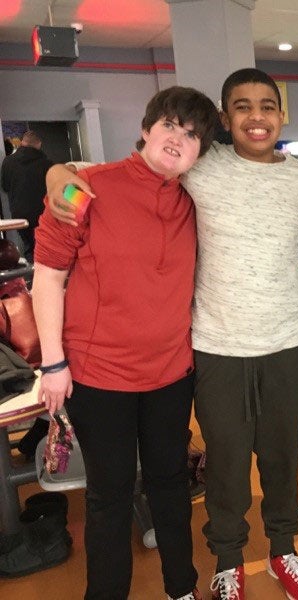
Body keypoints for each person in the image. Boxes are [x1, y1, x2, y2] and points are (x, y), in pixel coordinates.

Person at [45, 68, 298, 600]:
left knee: (282, 457)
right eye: (242, 106)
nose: (256, 117)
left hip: (283, 341)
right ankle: (228, 560)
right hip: (213, 347)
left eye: (268, 106)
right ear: (225, 118)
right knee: (225, 462)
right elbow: (88, 173)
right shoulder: (199, 166)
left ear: (281, 115)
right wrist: (57, 173)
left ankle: (284, 549)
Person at [31, 86, 218, 600]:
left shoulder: (194, 201)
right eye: (170, 126)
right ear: (146, 128)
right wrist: (53, 365)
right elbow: (46, 277)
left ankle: (182, 588)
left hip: (171, 375)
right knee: (109, 497)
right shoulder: (83, 188)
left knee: (172, 488)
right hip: (98, 376)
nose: (178, 140)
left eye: (192, 134)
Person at [1, 130, 53, 260]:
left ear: (23, 142)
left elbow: (5, 187)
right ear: (38, 144)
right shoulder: (47, 164)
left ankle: (33, 275)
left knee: (30, 246)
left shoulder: (8, 162)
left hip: (20, 215)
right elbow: (56, 188)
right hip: (43, 213)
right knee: (47, 247)